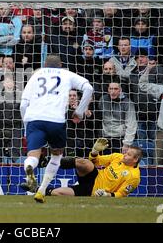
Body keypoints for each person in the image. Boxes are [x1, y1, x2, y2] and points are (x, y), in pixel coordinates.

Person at [20, 54, 94, 203]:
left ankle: (29, 167)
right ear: (60, 65)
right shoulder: (66, 74)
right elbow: (88, 88)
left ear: (44, 65)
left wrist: (26, 126)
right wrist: (79, 111)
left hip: (34, 119)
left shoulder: (36, 75)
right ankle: (41, 191)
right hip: (56, 120)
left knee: (33, 156)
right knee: (56, 156)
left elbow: (23, 104)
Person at [44, 139, 142, 198]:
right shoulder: (118, 156)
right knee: (85, 162)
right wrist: (95, 151)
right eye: (126, 152)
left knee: (57, 192)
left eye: (128, 154)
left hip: (92, 191)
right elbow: (96, 161)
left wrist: (106, 195)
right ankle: (48, 162)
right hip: (94, 176)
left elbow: (121, 194)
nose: (124, 155)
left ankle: (39, 189)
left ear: (135, 159)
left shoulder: (134, 177)